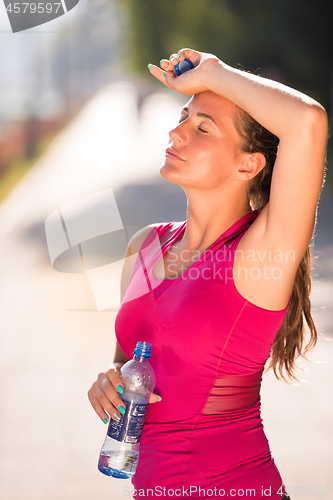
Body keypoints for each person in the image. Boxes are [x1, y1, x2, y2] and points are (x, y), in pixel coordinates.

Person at [88, 48, 328, 499]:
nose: (176, 133)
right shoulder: (146, 245)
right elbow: (134, 363)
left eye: (202, 128)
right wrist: (111, 381)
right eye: (183, 117)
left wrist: (215, 73)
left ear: (248, 164)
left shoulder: (259, 255)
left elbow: (307, 123)